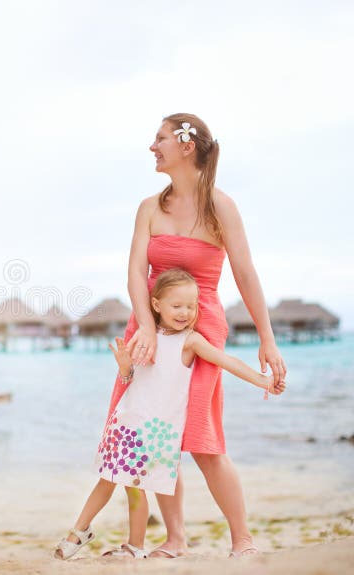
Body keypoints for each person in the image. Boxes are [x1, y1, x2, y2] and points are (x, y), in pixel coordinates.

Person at [121, 112, 287, 558]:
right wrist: (147, 328)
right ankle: (174, 538)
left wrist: (266, 338)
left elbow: (246, 275)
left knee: (202, 436)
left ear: (186, 145)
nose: (152, 147)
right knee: (154, 434)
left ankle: (243, 541)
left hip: (201, 328)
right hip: (148, 324)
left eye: (159, 139)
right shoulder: (149, 208)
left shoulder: (222, 207)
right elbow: (137, 273)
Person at [54, 269, 284, 560]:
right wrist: (124, 367)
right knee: (111, 481)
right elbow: (132, 380)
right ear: (156, 304)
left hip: (159, 431)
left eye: (191, 306)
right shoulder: (144, 336)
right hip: (127, 423)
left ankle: (130, 545)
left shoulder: (191, 341)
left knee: (136, 488)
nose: (185, 312)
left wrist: (262, 380)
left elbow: (227, 361)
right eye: (177, 306)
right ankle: (87, 534)